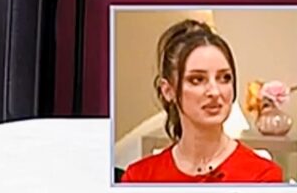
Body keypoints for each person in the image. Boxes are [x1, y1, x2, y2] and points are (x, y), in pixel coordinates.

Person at [120, 19, 282, 183]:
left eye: (224, 78)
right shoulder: (139, 178)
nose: (214, 92)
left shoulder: (262, 176)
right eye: (197, 79)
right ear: (168, 91)